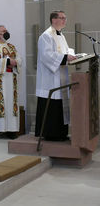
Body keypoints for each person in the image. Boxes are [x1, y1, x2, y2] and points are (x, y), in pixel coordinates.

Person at [35, 10, 76, 141]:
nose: (65, 20)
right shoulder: (46, 36)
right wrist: (65, 57)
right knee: (52, 106)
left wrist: (72, 55)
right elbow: (46, 55)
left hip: (61, 77)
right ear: (54, 20)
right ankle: (51, 134)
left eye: (65, 18)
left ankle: (60, 133)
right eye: (62, 18)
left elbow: (65, 51)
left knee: (60, 106)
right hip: (50, 79)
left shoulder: (61, 36)